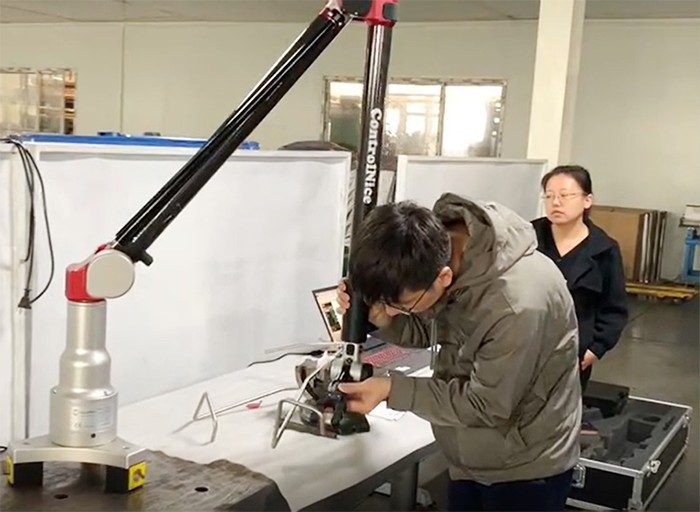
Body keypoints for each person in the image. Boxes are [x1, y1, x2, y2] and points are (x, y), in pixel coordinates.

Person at [336, 193, 582, 512]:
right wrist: (378, 315)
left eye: (401, 305)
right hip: (470, 453)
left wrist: (391, 389)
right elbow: (430, 327)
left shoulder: (516, 305)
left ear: (444, 277)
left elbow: (487, 404)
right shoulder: (436, 249)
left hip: (525, 468)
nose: (394, 311)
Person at [532, 165, 628, 392]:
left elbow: (614, 307)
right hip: (523, 347)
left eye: (565, 195)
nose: (556, 203)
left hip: (573, 353)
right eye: (549, 196)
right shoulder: (526, 238)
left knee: (562, 408)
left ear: (587, 200)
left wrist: (596, 348)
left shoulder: (604, 249)